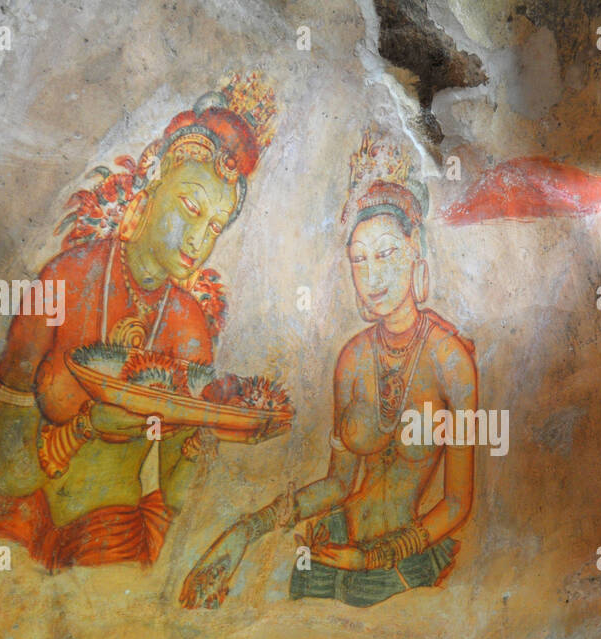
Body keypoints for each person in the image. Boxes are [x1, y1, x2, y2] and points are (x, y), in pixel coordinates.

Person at [0, 72, 280, 569]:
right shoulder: (65, 280)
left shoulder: (188, 327)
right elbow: (7, 472)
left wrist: (210, 432)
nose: (199, 239)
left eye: (215, 226)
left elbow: (174, 492)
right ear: (153, 184)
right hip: (21, 511)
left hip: (110, 530)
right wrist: (83, 428)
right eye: (190, 207)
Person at [180, 128, 476, 609]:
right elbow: (339, 483)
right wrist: (247, 529)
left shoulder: (451, 362)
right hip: (333, 545)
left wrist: (378, 557)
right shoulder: (353, 359)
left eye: (386, 254)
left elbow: (458, 504)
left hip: (402, 562)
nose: (372, 275)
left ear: (414, 253)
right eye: (359, 260)